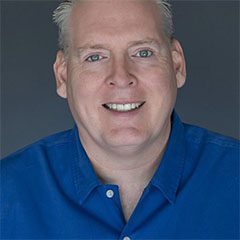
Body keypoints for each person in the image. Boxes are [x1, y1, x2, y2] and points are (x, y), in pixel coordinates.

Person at [1, 0, 239, 239]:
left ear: (177, 65)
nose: (121, 77)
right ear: (62, 75)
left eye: (143, 52)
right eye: (95, 57)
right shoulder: (7, 193)